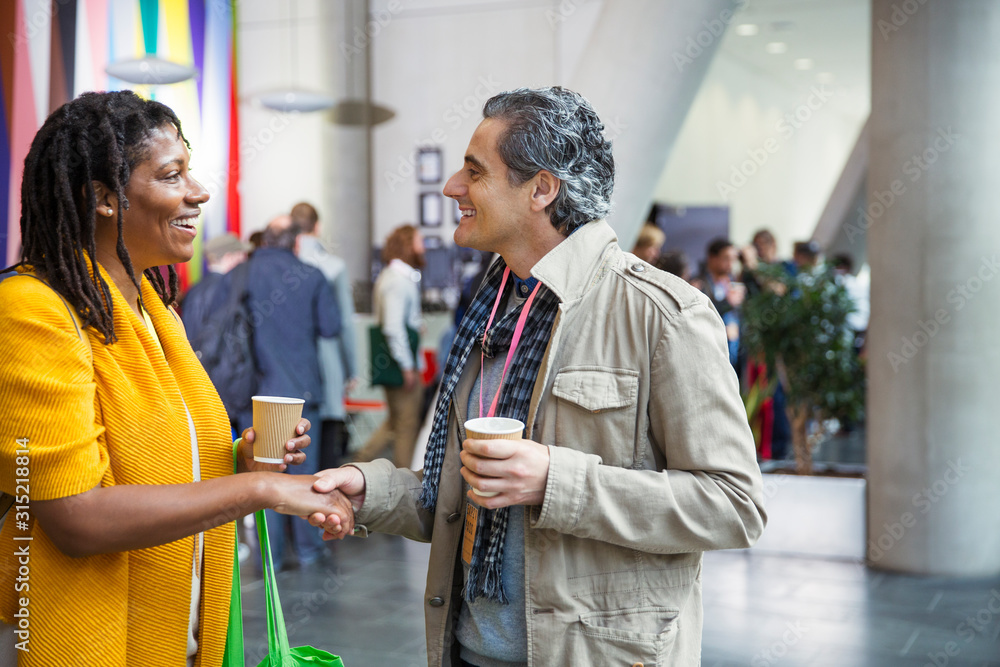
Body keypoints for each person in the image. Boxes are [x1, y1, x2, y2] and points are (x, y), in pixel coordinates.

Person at [309, 87, 765, 666]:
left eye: (474, 172)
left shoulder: (661, 315)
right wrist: (368, 490)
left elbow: (734, 505)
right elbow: (462, 495)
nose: (453, 187)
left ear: (542, 190)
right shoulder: (494, 306)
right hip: (469, 651)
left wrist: (556, 481)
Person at [0, 91, 353, 667]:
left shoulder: (154, 311)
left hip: (185, 639)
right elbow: (75, 517)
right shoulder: (31, 309)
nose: (199, 192)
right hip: (96, 641)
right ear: (103, 198)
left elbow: (165, 465)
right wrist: (259, 490)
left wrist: (244, 462)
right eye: (173, 175)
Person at [230, 214, 342, 569]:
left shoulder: (240, 275)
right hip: (301, 388)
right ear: (297, 242)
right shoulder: (311, 275)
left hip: (254, 389)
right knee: (305, 474)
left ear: (263, 240)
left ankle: (270, 556)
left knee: (263, 475)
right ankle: (309, 549)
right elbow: (330, 328)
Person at [291, 202, 359, 470]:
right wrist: (351, 370)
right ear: (317, 227)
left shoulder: (282, 266)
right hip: (326, 365)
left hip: (289, 370)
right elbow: (344, 323)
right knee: (326, 454)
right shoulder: (334, 267)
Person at [353, 224, 426, 469]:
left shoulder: (392, 277)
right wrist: (407, 365)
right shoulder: (397, 281)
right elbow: (393, 328)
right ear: (407, 245)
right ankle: (408, 482)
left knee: (395, 423)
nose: (423, 247)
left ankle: (357, 462)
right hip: (399, 365)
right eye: (419, 241)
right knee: (406, 426)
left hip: (394, 363)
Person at [180, 232, 250, 346]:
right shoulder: (228, 289)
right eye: (241, 255)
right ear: (229, 257)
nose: (244, 260)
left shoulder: (195, 290)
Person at [699, 237, 744, 370]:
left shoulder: (732, 282)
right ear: (712, 258)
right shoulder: (699, 284)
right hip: (711, 355)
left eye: (733, 259)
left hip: (735, 354)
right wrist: (727, 302)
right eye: (726, 258)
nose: (731, 263)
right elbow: (702, 313)